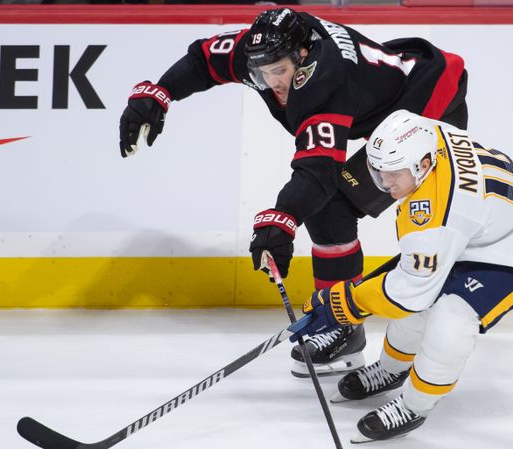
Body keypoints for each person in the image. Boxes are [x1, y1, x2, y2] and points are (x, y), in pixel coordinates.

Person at [118, 8, 468, 378]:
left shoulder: (326, 81)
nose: (273, 84)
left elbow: (318, 174)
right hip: (387, 93)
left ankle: (349, 326)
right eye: (262, 75)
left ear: (302, 56)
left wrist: (283, 218)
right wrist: (159, 93)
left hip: (427, 106)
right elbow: (204, 60)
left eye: (279, 72)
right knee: (327, 205)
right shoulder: (263, 49)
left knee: (339, 205)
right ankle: (342, 318)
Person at [290, 110, 513, 443]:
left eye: (393, 175)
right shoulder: (423, 134)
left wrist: (344, 303)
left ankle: (414, 406)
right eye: (378, 173)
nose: (385, 184)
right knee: (422, 301)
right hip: (484, 220)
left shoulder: (438, 212)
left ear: (421, 165)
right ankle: (392, 371)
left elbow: (409, 292)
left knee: (450, 318)